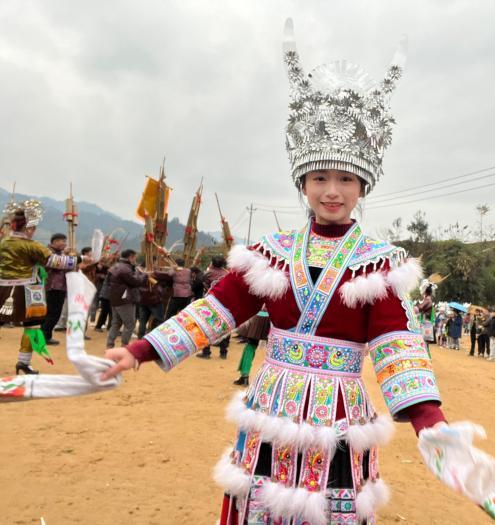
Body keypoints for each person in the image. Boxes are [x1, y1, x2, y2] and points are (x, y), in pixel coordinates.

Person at [100, 32, 467, 524]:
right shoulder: (270, 255)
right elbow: (218, 309)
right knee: (257, 505)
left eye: (345, 180)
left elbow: (398, 345)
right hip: (272, 409)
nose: (331, 191)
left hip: (339, 415)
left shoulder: (378, 263)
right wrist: (140, 350)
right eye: (319, 178)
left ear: (362, 187)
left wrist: (430, 422)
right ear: (303, 184)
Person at [0, 201, 78, 373]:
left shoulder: (3, 243)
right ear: (28, 228)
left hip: (2, 288)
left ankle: (24, 363)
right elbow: (56, 261)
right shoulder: (31, 245)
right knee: (32, 328)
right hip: (27, 291)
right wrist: (74, 259)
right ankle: (23, 362)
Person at [106, 249, 148, 349]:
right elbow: (136, 281)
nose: (135, 260)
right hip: (124, 299)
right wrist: (144, 275)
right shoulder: (125, 269)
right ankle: (124, 346)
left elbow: (108, 282)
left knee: (116, 323)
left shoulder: (115, 266)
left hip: (115, 298)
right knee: (130, 324)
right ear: (130, 257)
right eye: (134, 257)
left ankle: (109, 345)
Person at [40, 233, 71, 345]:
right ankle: (45, 337)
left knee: (53, 313)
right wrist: (66, 257)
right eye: (62, 241)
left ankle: (44, 336)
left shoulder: (59, 254)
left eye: (65, 241)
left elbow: (68, 268)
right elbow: (56, 264)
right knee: (53, 313)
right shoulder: (49, 252)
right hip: (53, 285)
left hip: (60, 286)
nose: (64, 243)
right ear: (55, 242)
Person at [198, 256, 231, 359]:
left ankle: (206, 352)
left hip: (210, 302)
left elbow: (199, 281)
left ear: (212, 263)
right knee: (224, 326)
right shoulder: (227, 274)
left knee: (207, 326)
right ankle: (223, 352)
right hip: (224, 303)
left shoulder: (208, 273)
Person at [232, 308, 271, 385]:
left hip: (258, 317)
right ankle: (245, 376)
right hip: (271, 320)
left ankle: (245, 376)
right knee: (271, 351)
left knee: (250, 346)